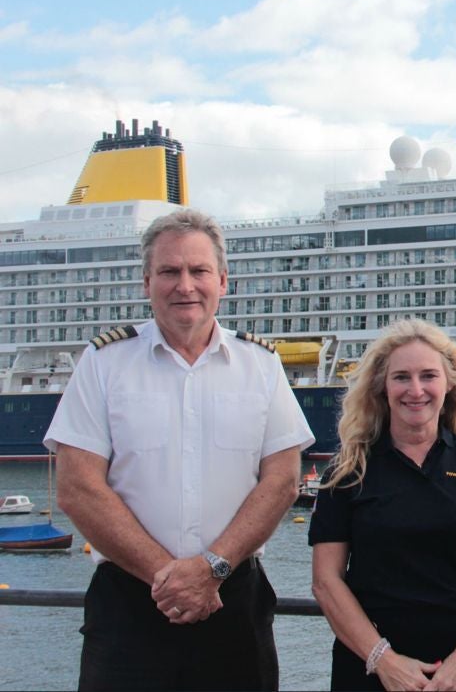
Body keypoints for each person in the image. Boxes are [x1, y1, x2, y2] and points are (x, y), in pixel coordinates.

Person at [44, 208, 316, 691]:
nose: (184, 285)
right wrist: (170, 577)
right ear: (147, 281)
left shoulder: (260, 365)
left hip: (235, 602)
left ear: (223, 281)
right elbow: (77, 487)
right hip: (130, 603)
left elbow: (282, 481)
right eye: (169, 271)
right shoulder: (104, 364)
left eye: (199, 271)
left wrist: (211, 569)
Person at [309, 318, 456, 691]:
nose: (416, 390)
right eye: (401, 377)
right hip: (370, 672)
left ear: (449, 383)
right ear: (382, 387)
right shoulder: (348, 470)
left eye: (428, 376)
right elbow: (326, 581)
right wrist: (383, 660)